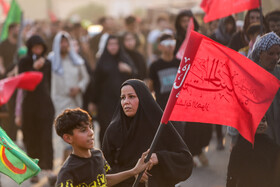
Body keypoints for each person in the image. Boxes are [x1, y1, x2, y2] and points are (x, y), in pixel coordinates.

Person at [102, 79, 193, 187]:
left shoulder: (159, 126)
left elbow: (185, 160)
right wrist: (132, 173)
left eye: (131, 96)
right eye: (123, 98)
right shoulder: (114, 130)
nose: (126, 101)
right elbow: (105, 171)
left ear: (143, 99)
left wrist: (159, 158)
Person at [54, 108, 151, 187]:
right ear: (68, 138)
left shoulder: (98, 155)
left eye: (90, 127)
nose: (91, 133)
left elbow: (105, 180)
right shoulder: (67, 172)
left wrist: (134, 171)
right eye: (83, 130)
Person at [18, 35, 55, 183]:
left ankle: (48, 169)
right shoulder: (24, 61)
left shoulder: (47, 62)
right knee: (31, 137)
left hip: (45, 104)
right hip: (29, 105)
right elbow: (22, 81)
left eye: (40, 47)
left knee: (46, 137)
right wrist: (34, 68)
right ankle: (33, 170)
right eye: (35, 47)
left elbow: (49, 83)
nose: (38, 50)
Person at [89, 35, 135, 146]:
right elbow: (95, 83)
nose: (113, 47)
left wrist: (128, 69)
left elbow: (136, 77)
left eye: (115, 44)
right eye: (110, 44)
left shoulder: (125, 59)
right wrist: (93, 101)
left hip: (122, 101)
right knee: (106, 129)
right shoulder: (102, 61)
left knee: (123, 128)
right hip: (105, 103)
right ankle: (106, 157)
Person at [226, 116, 280, 187]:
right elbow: (232, 174)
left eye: (263, 120)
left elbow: (231, 175)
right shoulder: (239, 148)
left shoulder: (274, 147)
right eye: (257, 120)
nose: (261, 123)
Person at [248, 32, 280, 145]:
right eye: (271, 53)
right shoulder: (250, 75)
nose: (275, 57)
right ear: (260, 53)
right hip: (260, 138)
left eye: (278, 53)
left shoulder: (279, 73)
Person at [148, 33, 179, 109]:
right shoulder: (154, 66)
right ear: (159, 47)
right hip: (162, 108)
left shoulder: (180, 63)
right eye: (166, 43)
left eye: (172, 42)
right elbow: (150, 88)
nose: (170, 45)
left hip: (179, 106)